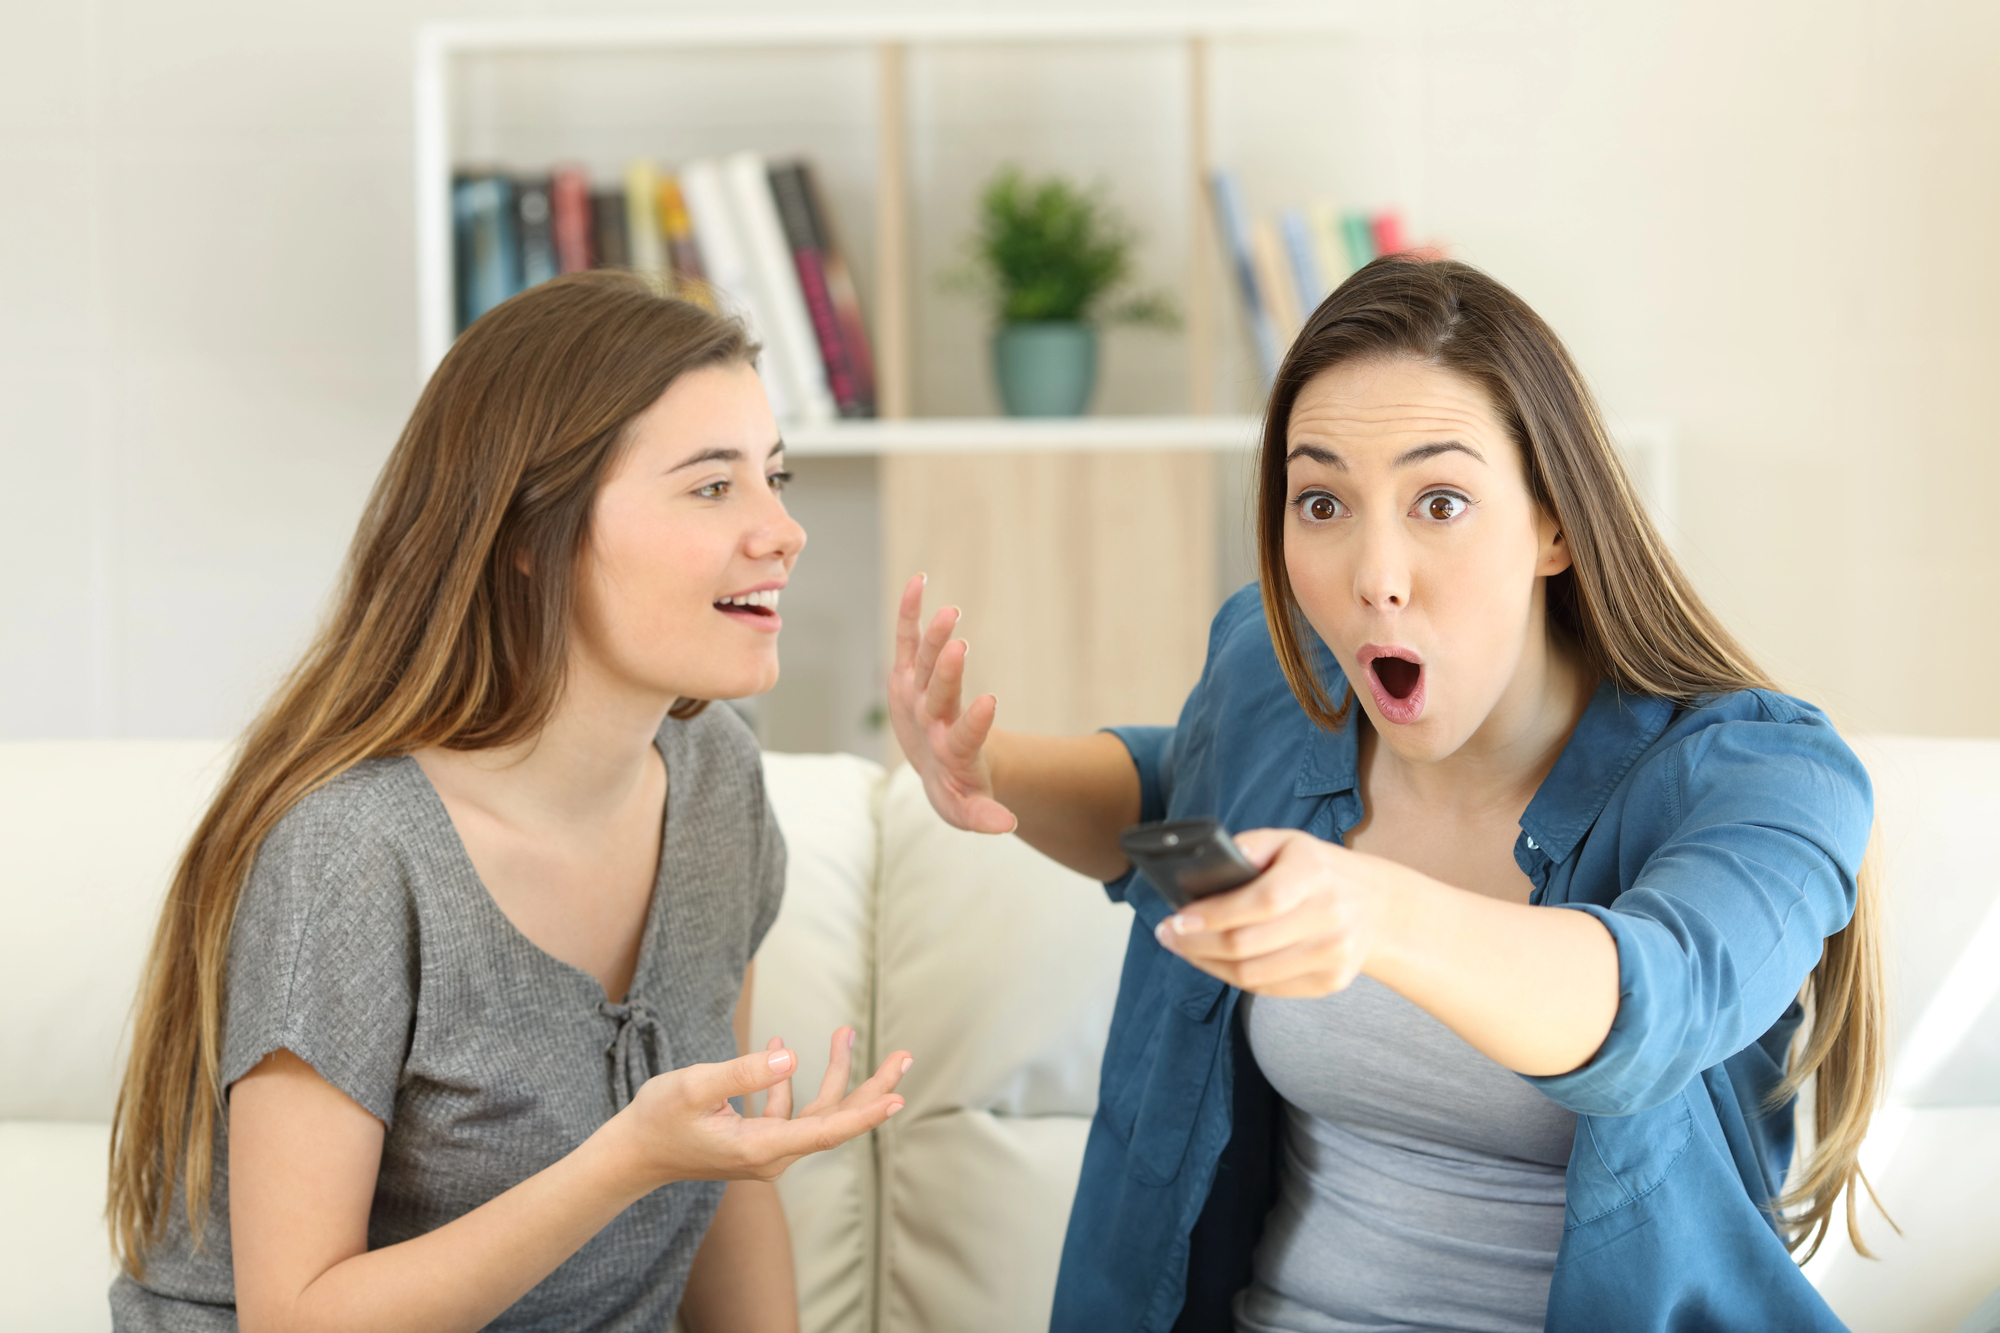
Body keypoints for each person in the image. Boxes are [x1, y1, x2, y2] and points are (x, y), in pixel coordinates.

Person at [889, 257, 1886, 1333]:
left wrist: (1377, 912)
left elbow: (1655, 999)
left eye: (1439, 501)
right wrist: (991, 772)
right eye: (1319, 500)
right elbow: (1178, 791)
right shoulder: (1278, 686)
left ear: (1554, 521)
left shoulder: (1768, 778)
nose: (1374, 574)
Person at [106, 270, 911, 1333]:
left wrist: (680, 1159)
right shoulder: (354, 849)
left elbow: (725, 1185)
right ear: (532, 531)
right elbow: (294, 1320)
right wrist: (622, 1160)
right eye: (714, 487)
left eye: (776, 476)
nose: (782, 531)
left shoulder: (716, 782)